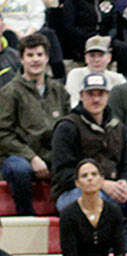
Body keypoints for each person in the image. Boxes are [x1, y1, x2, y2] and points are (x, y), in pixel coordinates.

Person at [51, 73, 127, 253]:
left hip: (112, 190)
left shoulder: (117, 126)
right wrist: (102, 185)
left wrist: (124, 183)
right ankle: (96, 253)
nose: (96, 99)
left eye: (101, 94)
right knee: (97, 200)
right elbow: (62, 174)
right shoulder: (67, 127)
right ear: (81, 96)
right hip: (72, 192)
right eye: (91, 94)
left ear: (108, 96)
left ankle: (120, 249)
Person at [0, 34, 67, 217]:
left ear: (47, 57)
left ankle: (65, 215)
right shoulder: (9, 92)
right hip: (19, 155)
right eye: (30, 55)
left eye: (39, 54)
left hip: (52, 154)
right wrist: (32, 157)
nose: (35, 59)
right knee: (19, 169)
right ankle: (26, 217)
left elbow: (68, 126)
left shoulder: (59, 90)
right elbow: (3, 134)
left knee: (76, 165)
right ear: (21, 59)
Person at [64, 35, 125, 110]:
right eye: (92, 56)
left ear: (109, 57)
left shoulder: (117, 79)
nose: (96, 60)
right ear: (86, 58)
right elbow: (73, 103)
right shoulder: (75, 75)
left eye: (100, 55)